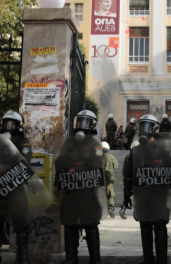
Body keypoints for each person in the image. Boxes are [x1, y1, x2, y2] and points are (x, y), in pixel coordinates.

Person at [123, 115, 171, 264]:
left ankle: (161, 259)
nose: (143, 131)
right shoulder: (135, 152)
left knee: (159, 225)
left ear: (154, 130)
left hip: (159, 196)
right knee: (145, 225)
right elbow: (128, 175)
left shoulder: (164, 151)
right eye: (141, 127)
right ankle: (148, 259)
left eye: (147, 127)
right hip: (142, 196)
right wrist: (127, 195)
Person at [0, 110, 32, 264]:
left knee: (20, 224)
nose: (9, 126)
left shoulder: (23, 143)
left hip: (15, 190)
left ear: (19, 126)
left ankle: (23, 258)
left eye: (12, 123)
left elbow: (24, 164)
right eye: (6, 123)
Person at [55, 110, 104, 264]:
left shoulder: (96, 144)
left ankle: (95, 259)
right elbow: (60, 162)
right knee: (70, 224)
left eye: (86, 122)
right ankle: (71, 258)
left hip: (88, 192)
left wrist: (77, 170)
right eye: (80, 122)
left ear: (92, 125)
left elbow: (97, 167)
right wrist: (58, 182)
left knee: (90, 224)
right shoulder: (69, 142)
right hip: (70, 192)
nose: (82, 126)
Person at [101, 141, 118, 219]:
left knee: (101, 193)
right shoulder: (111, 156)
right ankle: (110, 207)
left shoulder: (99, 157)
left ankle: (101, 209)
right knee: (110, 193)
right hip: (110, 176)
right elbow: (116, 166)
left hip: (101, 177)